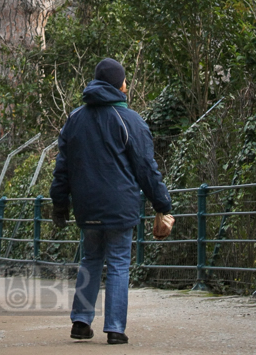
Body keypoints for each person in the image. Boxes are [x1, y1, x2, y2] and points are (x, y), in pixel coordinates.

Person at [50, 58, 173, 345]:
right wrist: (162, 205)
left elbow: (62, 168)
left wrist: (60, 204)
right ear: (120, 85)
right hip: (120, 205)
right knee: (118, 262)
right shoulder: (129, 120)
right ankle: (115, 329)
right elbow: (146, 167)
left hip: (87, 206)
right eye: (125, 79)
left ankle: (81, 322)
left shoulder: (75, 119)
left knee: (90, 259)